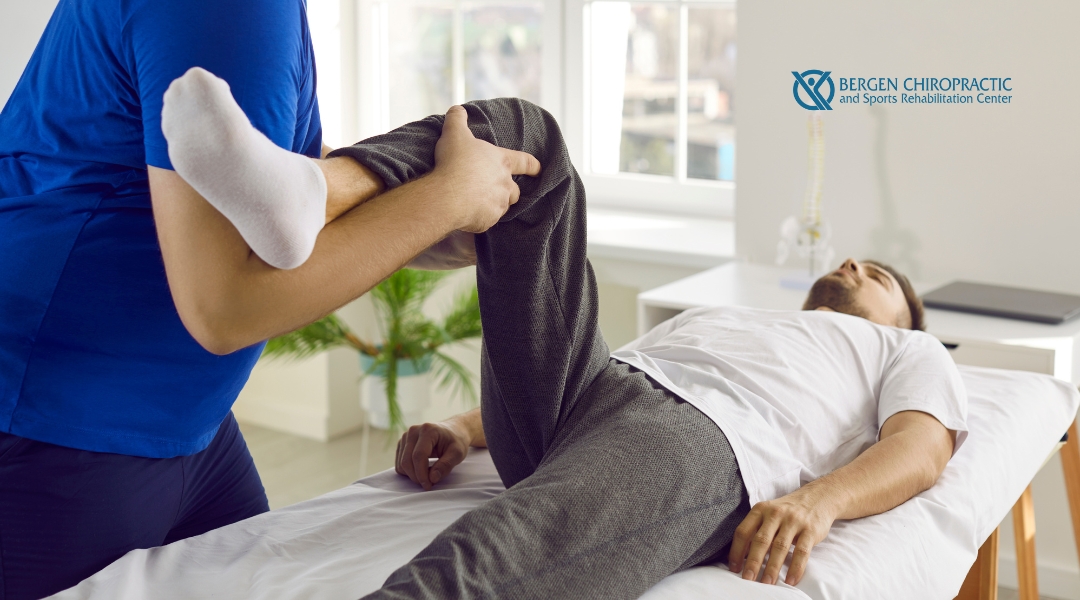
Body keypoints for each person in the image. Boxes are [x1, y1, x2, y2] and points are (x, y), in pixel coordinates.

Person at [155, 80, 965, 597]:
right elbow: (620, 362)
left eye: (883, 278)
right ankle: (314, 192)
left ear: (901, 322)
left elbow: (923, 449)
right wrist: (467, 429)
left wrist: (814, 504)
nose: (857, 264)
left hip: (705, 439)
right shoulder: (735, 316)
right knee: (525, 137)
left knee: (497, 553)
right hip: (595, 391)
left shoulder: (906, 354)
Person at [0, 2, 535, 598]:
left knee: (513, 132)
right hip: (62, 423)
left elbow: (253, 191)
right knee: (520, 128)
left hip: (190, 423)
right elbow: (226, 308)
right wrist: (443, 200)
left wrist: (428, 224)